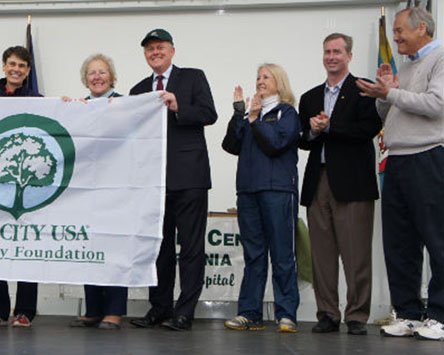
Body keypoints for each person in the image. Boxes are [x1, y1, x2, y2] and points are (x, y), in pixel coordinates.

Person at [356, 7, 444, 341]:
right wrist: (385, 93)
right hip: (397, 159)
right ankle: (408, 312)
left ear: (422, 28)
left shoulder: (441, 58)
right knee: (399, 243)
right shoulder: (405, 68)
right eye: (392, 31)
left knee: (438, 240)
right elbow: (389, 113)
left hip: (429, 156)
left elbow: (437, 104)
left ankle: (440, 315)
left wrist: (390, 93)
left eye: (399, 30)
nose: (394, 37)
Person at [128, 29, 217, 331]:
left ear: (172, 50)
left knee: (191, 249)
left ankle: (185, 311)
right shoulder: (138, 89)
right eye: (150, 49)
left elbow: (209, 114)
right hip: (153, 181)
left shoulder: (193, 77)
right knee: (159, 249)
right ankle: (159, 308)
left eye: (160, 47)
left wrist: (180, 107)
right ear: (145, 55)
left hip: (190, 177)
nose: (155, 52)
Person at [298, 33, 382, 336]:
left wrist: (331, 126)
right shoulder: (309, 98)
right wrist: (312, 129)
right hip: (317, 182)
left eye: (337, 51)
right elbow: (301, 140)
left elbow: (368, 129)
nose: (331, 56)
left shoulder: (364, 91)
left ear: (349, 55)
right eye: (327, 52)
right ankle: (328, 314)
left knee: (356, 253)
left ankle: (357, 316)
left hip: (353, 183)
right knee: (321, 255)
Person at [222, 63, 301, 333]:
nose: (260, 81)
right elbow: (230, 145)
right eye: (257, 77)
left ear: (279, 82)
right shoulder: (250, 115)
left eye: (266, 77)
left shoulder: (287, 113)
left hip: (278, 190)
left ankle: (286, 313)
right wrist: (239, 114)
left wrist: (255, 120)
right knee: (254, 255)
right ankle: (249, 312)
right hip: (248, 191)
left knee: (282, 254)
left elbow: (276, 144)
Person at [66, 53, 127, 330]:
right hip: (86, 189)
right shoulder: (80, 107)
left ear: (112, 77)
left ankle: (114, 311)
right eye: (92, 72)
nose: (97, 76)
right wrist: (64, 109)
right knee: (89, 247)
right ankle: (93, 309)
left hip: (117, 188)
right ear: (85, 79)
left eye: (102, 72)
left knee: (114, 248)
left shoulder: (127, 104)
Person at [0, 45, 41, 328]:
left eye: (22, 66)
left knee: (28, 248)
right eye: (12, 64)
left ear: (28, 71)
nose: (16, 69)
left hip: (29, 188)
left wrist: (68, 104)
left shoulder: (41, 101)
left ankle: (25, 311)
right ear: (4, 67)